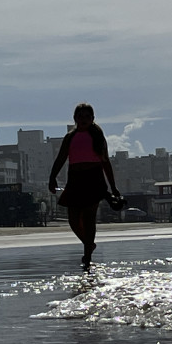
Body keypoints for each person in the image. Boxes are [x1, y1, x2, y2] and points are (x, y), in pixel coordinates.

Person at [49, 103, 121, 271]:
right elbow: (60, 158)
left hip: (94, 179)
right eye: (80, 117)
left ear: (92, 119)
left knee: (89, 219)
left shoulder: (97, 136)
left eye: (87, 117)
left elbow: (105, 162)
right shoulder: (70, 137)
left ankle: (87, 255)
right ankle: (89, 244)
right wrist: (52, 178)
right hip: (75, 179)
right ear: (75, 119)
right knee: (73, 220)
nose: (83, 120)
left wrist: (113, 186)